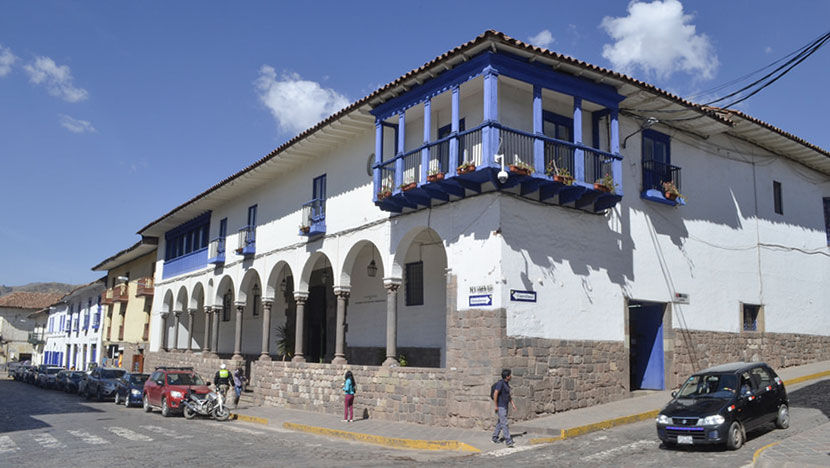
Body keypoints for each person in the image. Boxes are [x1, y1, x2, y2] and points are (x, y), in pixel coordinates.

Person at [492, 369, 517, 447]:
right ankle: (508, 441)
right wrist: (496, 405)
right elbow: (495, 393)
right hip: (501, 406)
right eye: (510, 375)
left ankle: (495, 437)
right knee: (504, 423)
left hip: (505, 406)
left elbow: (508, 395)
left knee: (500, 422)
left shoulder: (506, 384)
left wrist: (512, 404)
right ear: (507, 376)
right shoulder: (501, 383)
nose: (511, 376)